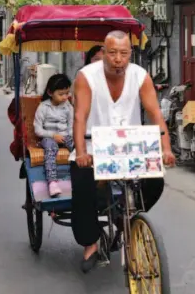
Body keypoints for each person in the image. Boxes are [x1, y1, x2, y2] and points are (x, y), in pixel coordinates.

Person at [71, 30, 176, 273]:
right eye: (112, 53)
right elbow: (79, 116)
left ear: (130, 54)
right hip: (95, 147)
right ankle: (90, 244)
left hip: (129, 148)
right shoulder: (86, 76)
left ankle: (125, 218)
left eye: (124, 53)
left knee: (155, 181)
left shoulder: (140, 76)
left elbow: (155, 114)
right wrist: (82, 152)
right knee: (82, 182)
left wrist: (166, 148)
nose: (118, 58)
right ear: (104, 53)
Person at [34, 74, 74, 197]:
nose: (65, 97)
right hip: (48, 138)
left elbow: (71, 126)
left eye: (67, 93)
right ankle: (52, 182)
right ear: (50, 93)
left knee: (77, 147)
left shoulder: (68, 107)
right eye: (61, 94)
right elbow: (38, 129)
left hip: (65, 135)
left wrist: (70, 138)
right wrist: (53, 135)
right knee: (51, 148)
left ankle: (82, 176)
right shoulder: (43, 107)